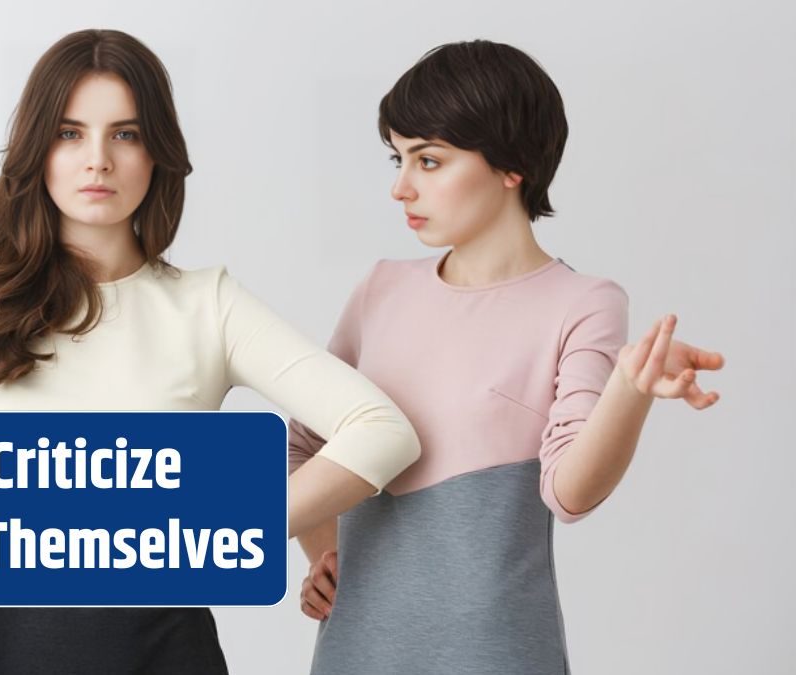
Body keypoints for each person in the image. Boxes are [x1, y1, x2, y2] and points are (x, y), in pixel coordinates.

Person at [0, 29, 421, 674]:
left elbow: (381, 429)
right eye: (70, 133)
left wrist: (220, 527)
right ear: (38, 149)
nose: (98, 158)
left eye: (124, 134)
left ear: (156, 152)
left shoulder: (207, 307)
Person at [291, 40, 724, 674]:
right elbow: (303, 446)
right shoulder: (380, 289)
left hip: (496, 654)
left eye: (429, 161)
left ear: (510, 166)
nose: (400, 187)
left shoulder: (583, 303)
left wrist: (628, 392)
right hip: (357, 652)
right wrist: (325, 555)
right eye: (399, 158)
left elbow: (569, 495)